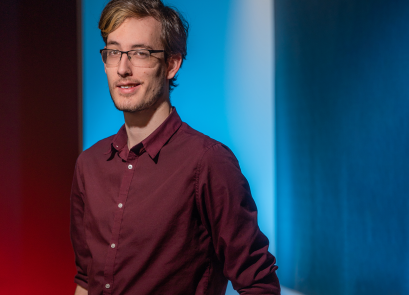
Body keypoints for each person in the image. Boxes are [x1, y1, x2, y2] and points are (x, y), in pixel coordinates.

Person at [70, 0, 280, 294]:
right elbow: (85, 279)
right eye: (114, 52)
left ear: (171, 64)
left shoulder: (208, 162)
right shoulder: (89, 165)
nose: (123, 68)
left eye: (140, 53)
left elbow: (258, 283)